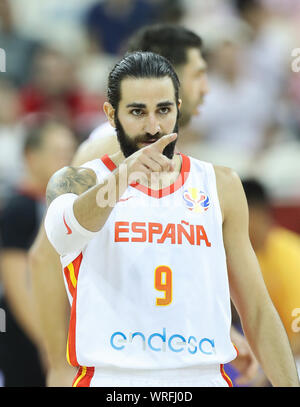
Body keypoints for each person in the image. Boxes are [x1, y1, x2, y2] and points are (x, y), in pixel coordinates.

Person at [43, 51, 299, 387]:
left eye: (163, 110)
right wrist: (123, 177)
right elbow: (62, 235)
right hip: (114, 383)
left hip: (202, 378)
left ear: (178, 107)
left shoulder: (220, 185)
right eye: (137, 112)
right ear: (110, 114)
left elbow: (258, 310)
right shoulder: (78, 181)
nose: (153, 127)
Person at [0, 118, 77, 386]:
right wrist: (49, 343)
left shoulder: (72, 206)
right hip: (28, 336)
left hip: (64, 335)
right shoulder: (19, 209)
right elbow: (18, 286)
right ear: (31, 157)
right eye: (58, 152)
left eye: (70, 152)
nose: (67, 159)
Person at [242, 178, 300, 383]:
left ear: (257, 215)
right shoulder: (241, 255)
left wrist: (267, 374)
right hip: (269, 348)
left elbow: (298, 335)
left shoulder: (290, 254)